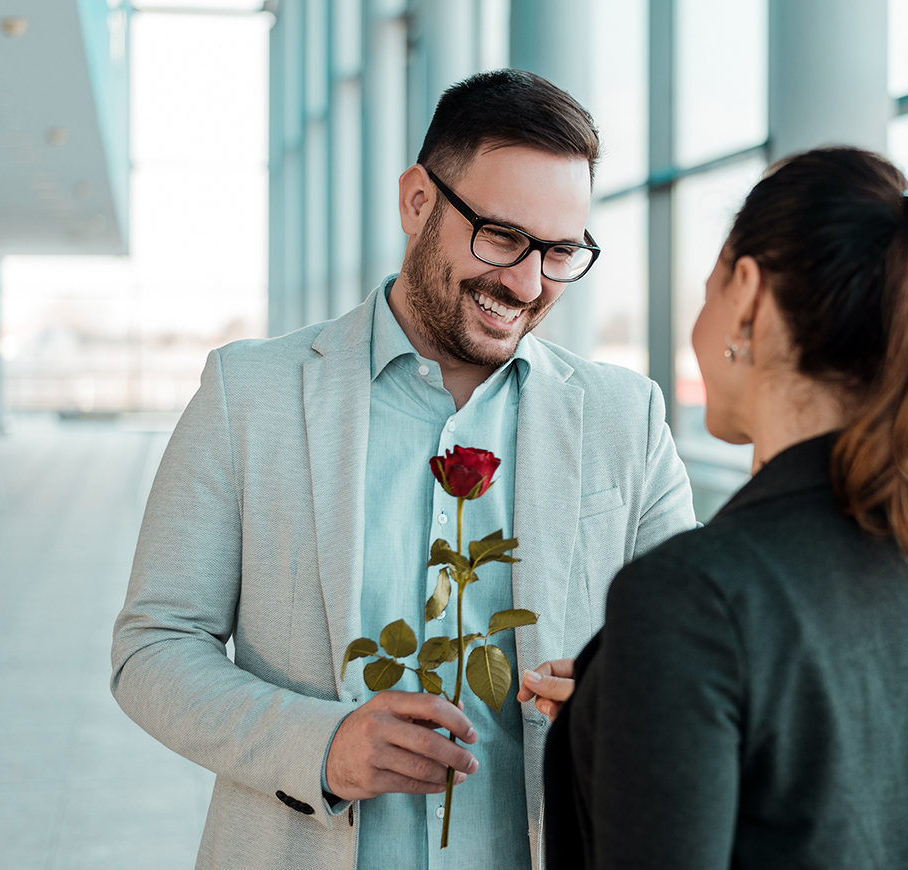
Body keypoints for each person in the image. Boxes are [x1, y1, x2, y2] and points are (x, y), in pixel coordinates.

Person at [111, 70, 698, 870]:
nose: (526, 285)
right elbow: (153, 647)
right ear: (417, 201)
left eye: (560, 253)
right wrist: (324, 746)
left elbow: (688, 666)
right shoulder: (248, 395)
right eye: (501, 236)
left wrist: (617, 705)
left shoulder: (628, 419)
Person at [542, 147, 908, 870]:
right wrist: (627, 695)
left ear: (749, 297)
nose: (697, 325)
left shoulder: (691, 598)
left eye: (707, 290)